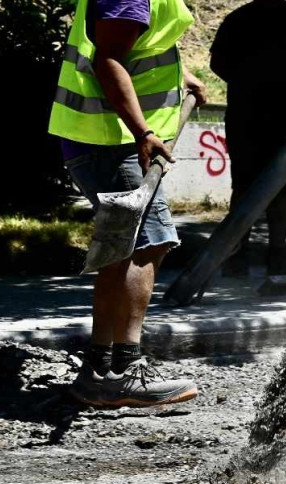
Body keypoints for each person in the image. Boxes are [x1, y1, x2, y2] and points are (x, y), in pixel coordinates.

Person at [50, 0, 206, 407]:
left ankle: (101, 370)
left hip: (108, 140)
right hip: (110, 140)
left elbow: (131, 46)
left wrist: (180, 76)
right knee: (143, 246)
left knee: (125, 251)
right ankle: (121, 372)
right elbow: (109, 59)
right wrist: (144, 131)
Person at [210, 0, 286, 294]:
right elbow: (219, 63)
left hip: (271, 117)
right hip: (261, 116)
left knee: (263, 187)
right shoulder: (243, 20)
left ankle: (255, 255)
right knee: (256, 187)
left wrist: (255, 82)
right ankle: (253, 254)